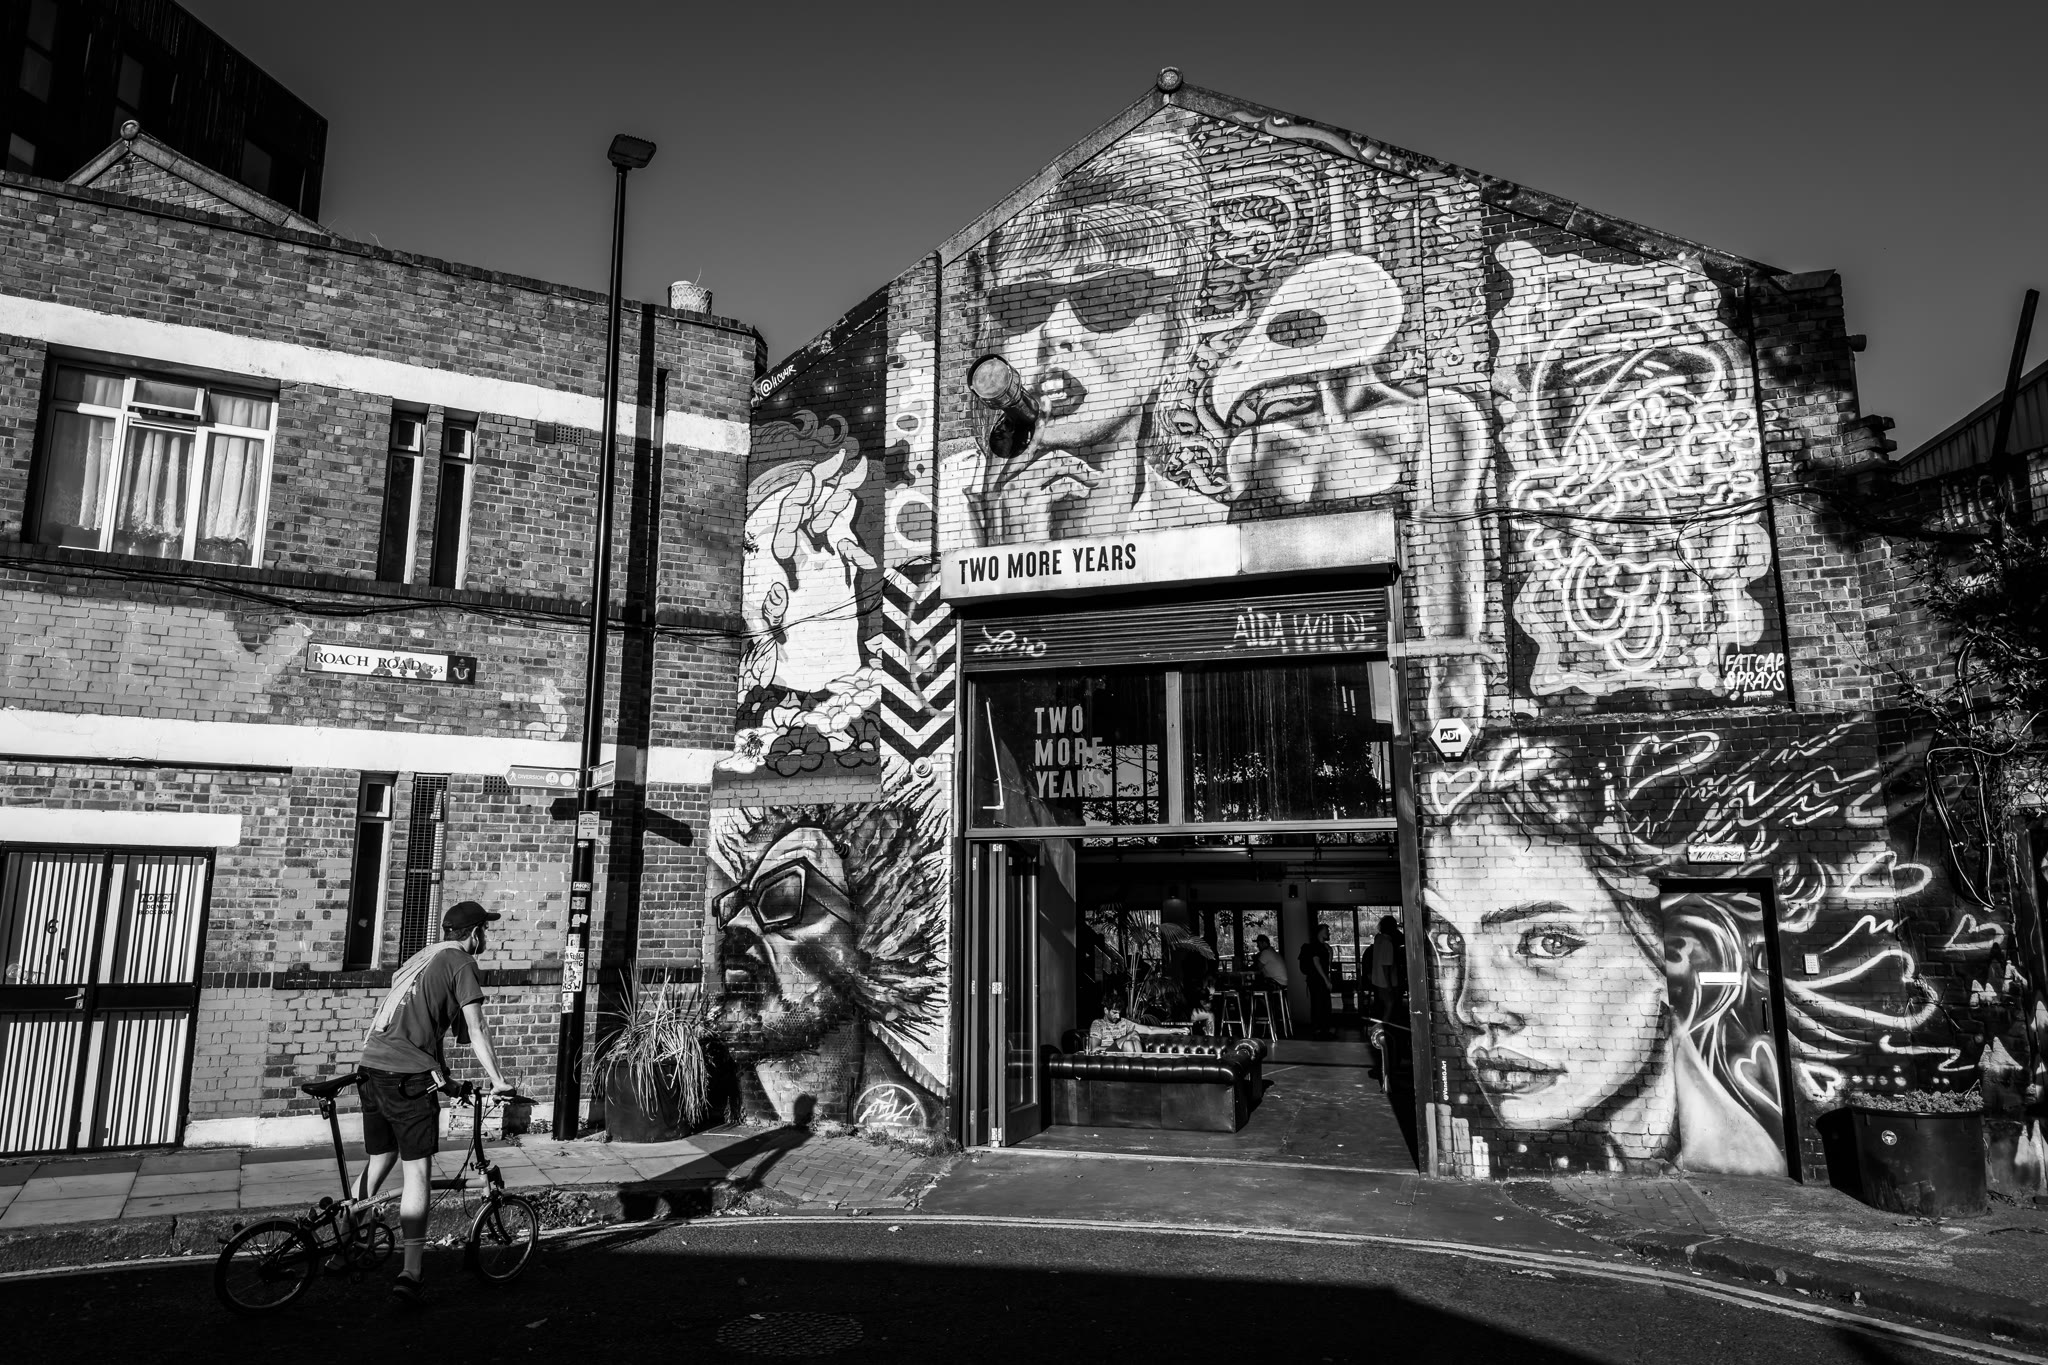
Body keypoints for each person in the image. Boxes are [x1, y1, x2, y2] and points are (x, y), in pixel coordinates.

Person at [354, 900, 514, 1303]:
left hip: (371, 1069)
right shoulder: (462, 963)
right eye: (485, 930)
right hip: (406, 1078)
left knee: (379, 1161)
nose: (486, 937)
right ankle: (411, 1272)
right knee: (418, 1174)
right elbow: (476, 1028)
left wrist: (445, 1081)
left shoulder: (424, 958)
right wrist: (499, 1081)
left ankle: (345, 1246)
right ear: (474, 933)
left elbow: (421, 1028)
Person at [1299, 923, 1336, 1040]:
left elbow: (1327, 963)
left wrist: (1330, 951)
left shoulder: (1323, 947)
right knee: (1320, 1004)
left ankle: (1321, 1029)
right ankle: (1320, 1030)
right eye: (1326, 931)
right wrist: (1326, 980)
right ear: (1320, 932)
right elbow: (1317, 963)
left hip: (1317, 979)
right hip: (1317, 980)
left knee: (1321, 1004)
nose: (1328, 933)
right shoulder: (1315, 946)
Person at [1368, 915, 1405, 1027]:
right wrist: (1389, 985)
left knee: (1381, 1005)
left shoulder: (1378, 939)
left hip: (1377, 979)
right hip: (1386, 981)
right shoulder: (1387, 943)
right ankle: (1383, 1027)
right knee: (1390, 1005)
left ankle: (1380, 1026)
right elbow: (1386, 966)